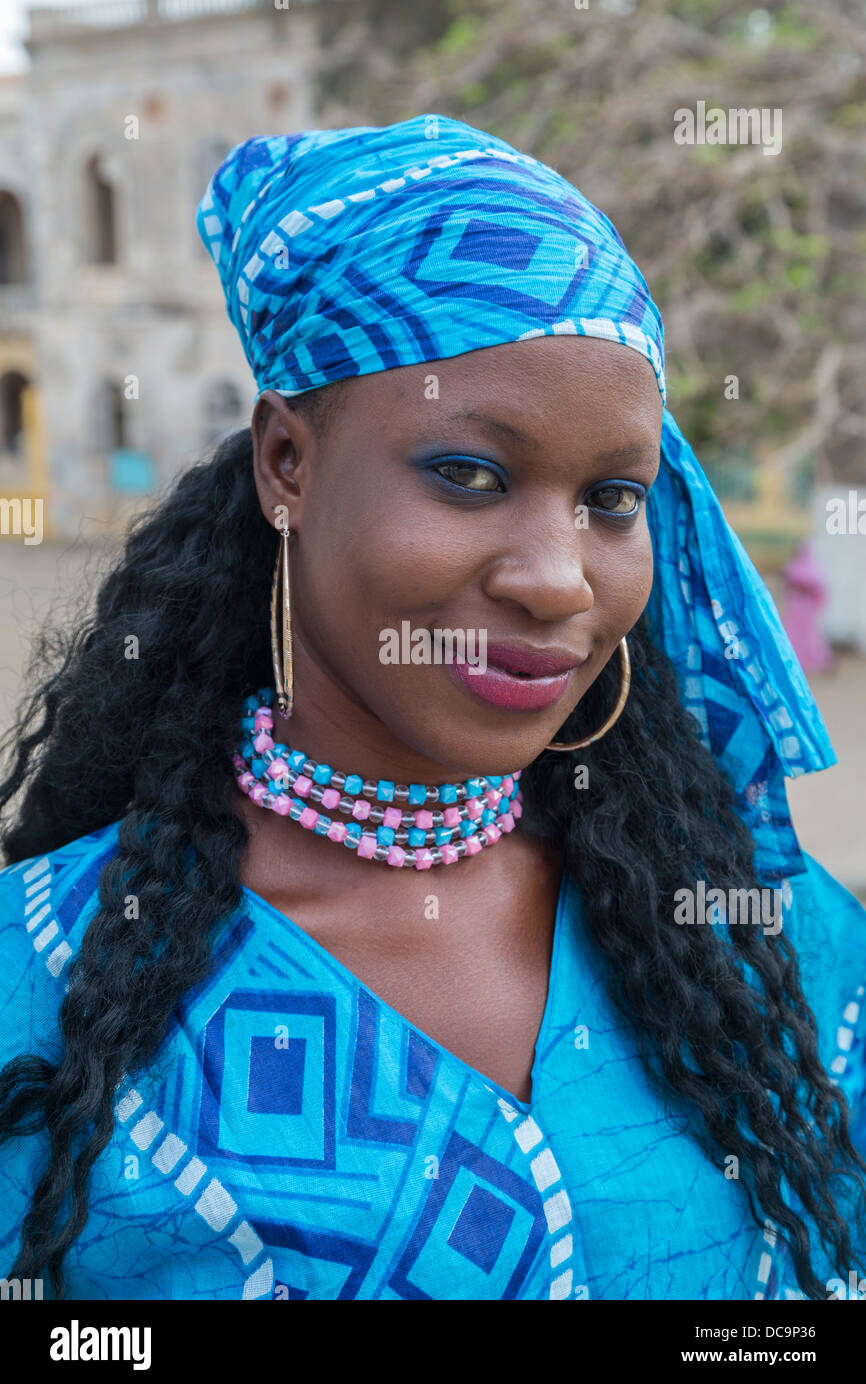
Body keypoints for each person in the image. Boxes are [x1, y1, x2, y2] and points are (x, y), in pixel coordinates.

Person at [0, 113, 863, 1302]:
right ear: (285, 462)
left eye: (610, 498)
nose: (555, 576)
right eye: (469, 475)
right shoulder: (43, 968)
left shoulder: (759, 928)